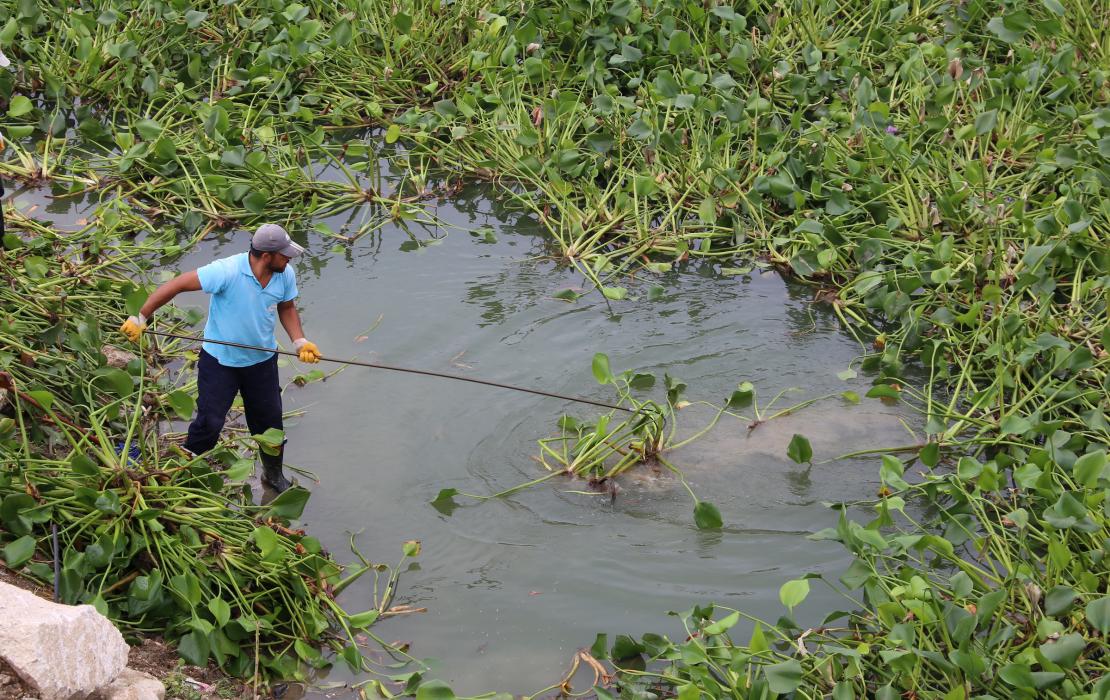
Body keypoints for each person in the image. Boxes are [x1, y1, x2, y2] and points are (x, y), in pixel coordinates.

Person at [120, 224, 322, 492]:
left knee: (270, 425)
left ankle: (273, 476)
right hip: (220, 363)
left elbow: (287, 307)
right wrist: (141, 317)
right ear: (265, 255)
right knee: (210, 422)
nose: (289, 258)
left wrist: (300, 341)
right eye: (284, 254)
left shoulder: (284, 274)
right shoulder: (226, 271)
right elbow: (176, 284)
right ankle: (185, 473)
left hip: (261, 362)